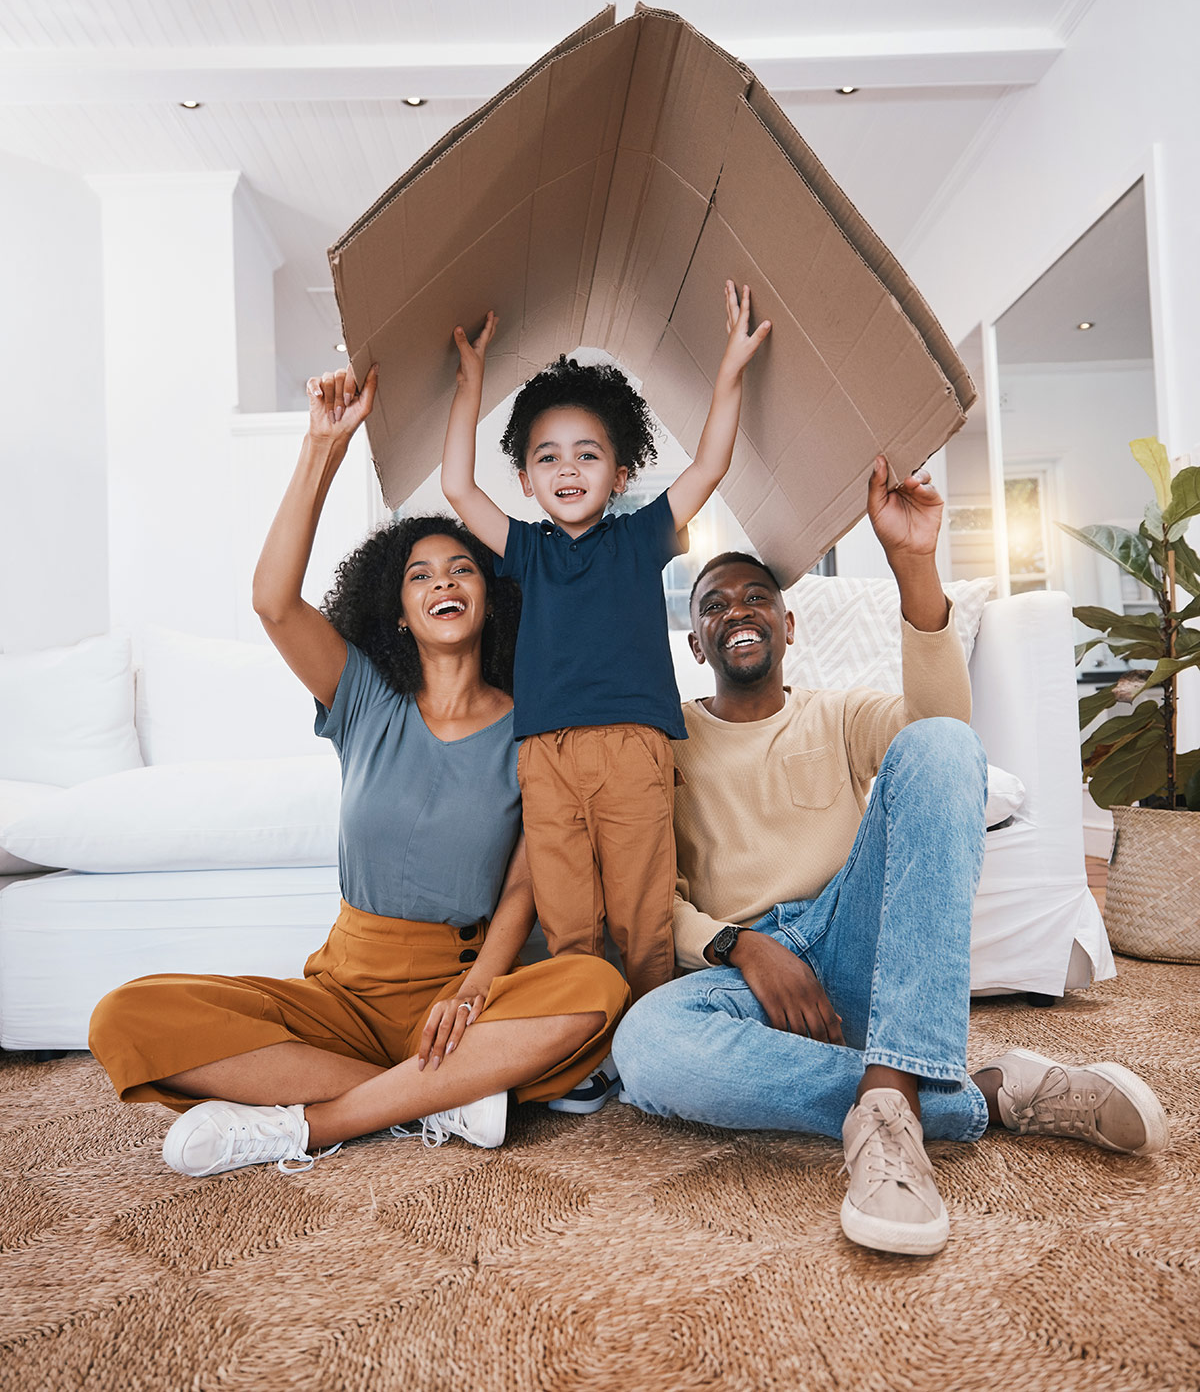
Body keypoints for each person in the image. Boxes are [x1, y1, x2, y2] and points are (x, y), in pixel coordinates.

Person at [613, 457, 1168, 1256]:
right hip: (745, 972)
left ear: (787, 624)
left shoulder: (838, 714)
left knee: (939, 742)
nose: (737, 609)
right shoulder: (664, 739)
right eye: (714, 605)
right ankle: (966, 1094)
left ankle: (889, 1097)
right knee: (646, 1048)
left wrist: (913, 561)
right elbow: (649, 895)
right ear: (695, 640)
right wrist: (745, 944)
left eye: (756, 596)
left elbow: (945, 739)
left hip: (855, 946)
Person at [89, 364, 628, 1177]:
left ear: (494, 595)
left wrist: (479, 989)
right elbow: (274, 602)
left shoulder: (533, 725)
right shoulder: (363, 696)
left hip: (457, 988)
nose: (442, 579)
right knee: (124, 1016)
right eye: (420, 575)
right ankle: (436, 1098)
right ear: (398, 613)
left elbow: (525, 883)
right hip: (344, 984)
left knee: (593, 984)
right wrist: (321, 448)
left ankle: (314, 1125)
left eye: (461, 568)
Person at [440, 282, 771, 1003]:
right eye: (548, 458)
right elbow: (459, 487)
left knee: (642, 914)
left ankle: (655, 1033)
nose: (567, 469)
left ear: (620, 474)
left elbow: (709, 465)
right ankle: (583, 1042)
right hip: (545, 756)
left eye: (587, 455)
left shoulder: (641, 535)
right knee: (568, 918)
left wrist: (731, 368)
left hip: (633, 748)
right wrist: (470, 384)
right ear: (526, 480)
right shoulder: (525, 548)